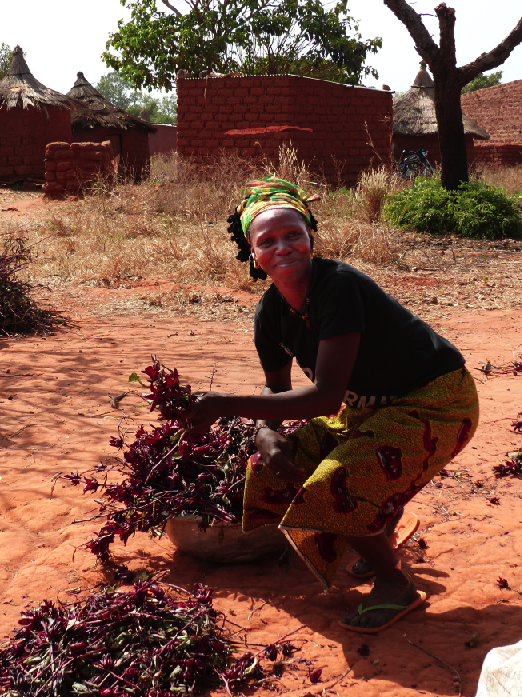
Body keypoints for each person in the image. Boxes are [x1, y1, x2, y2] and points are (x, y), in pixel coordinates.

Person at [182, 177, 479, 633]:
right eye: (268, 241)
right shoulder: (270, 314)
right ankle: (380, 525)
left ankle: (394, 583)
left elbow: (325, 397)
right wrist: (265, 434)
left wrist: (224, 405)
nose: (283, 247)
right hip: (369, 409)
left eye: (293, 235)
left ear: (310, 237)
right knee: (268, 469)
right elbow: (275, 393)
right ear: (252, 252)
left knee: (332, 484)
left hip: (436, 400)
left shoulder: (337, 287)